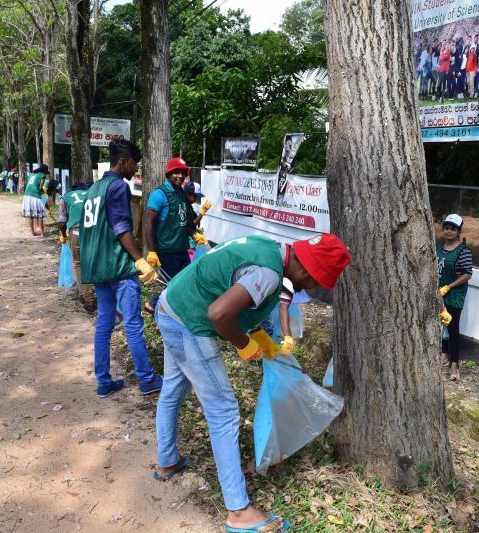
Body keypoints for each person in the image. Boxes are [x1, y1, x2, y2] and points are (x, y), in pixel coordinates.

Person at [153, 233, 351, 532]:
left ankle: (168, 462)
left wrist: (258, 336)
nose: (309, 287)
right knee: (224, 412)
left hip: (171, 306)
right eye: (314, 281)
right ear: (306, 270)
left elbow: (238, 293)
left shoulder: (269, 248)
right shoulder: (269, 273)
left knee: (174, 387)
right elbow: (218, 314)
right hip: (188, 321)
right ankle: (238, 512)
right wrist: (243, 342)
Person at [79, 139, 163, 398]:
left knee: (104, 323)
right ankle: (147, 379)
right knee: (133, 323)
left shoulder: (94, 189)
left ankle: (103, 381)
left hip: (98, 267)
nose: (135, 171)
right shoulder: (118, 187)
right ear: (123, 161)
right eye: (134, 165)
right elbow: (121, 229)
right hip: (118, 266)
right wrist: (139, 259)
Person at [144, 157, 193, 313]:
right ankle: (156, 307)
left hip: (181, 248)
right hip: (166, 250)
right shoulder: (159, 194)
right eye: (176, 172)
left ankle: (159, 306)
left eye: (183, 173)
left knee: (185, 282)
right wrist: (152, 251)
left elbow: (181, 221)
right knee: (172, 285)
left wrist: (194, 234)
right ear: (169, 174)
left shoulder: (181, 194)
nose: (180, 176)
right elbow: (149, 224)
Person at [436, 214, 473, 380]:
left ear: (458, 231)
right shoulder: (438, 247)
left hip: (454, 295)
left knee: (452, 328)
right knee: (441, 326)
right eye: (446, 228)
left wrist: (449, 287)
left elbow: (467, 274)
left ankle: (454, 365)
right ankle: (443, 354)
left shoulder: (463, 251)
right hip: (438, 293)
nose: (448, 231)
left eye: (453, 229)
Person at [58, 181, 95, 311]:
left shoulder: (66, 197)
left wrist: (63, 235)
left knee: (78, 264)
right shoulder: (92, 193)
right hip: (94, 231)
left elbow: (62, 222)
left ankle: (88, 298)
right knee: (94, 260)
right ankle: (103, 293)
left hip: (76, 231)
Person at [21, 164, 49, 236]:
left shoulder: (32, 173)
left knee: (30, 215)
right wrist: (43, 192)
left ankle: (33, 232)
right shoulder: (42, 175)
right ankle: (42, 233)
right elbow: (40, 188)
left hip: (27, 195)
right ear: (44, 171)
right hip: (35, 195)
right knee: (40, 215)